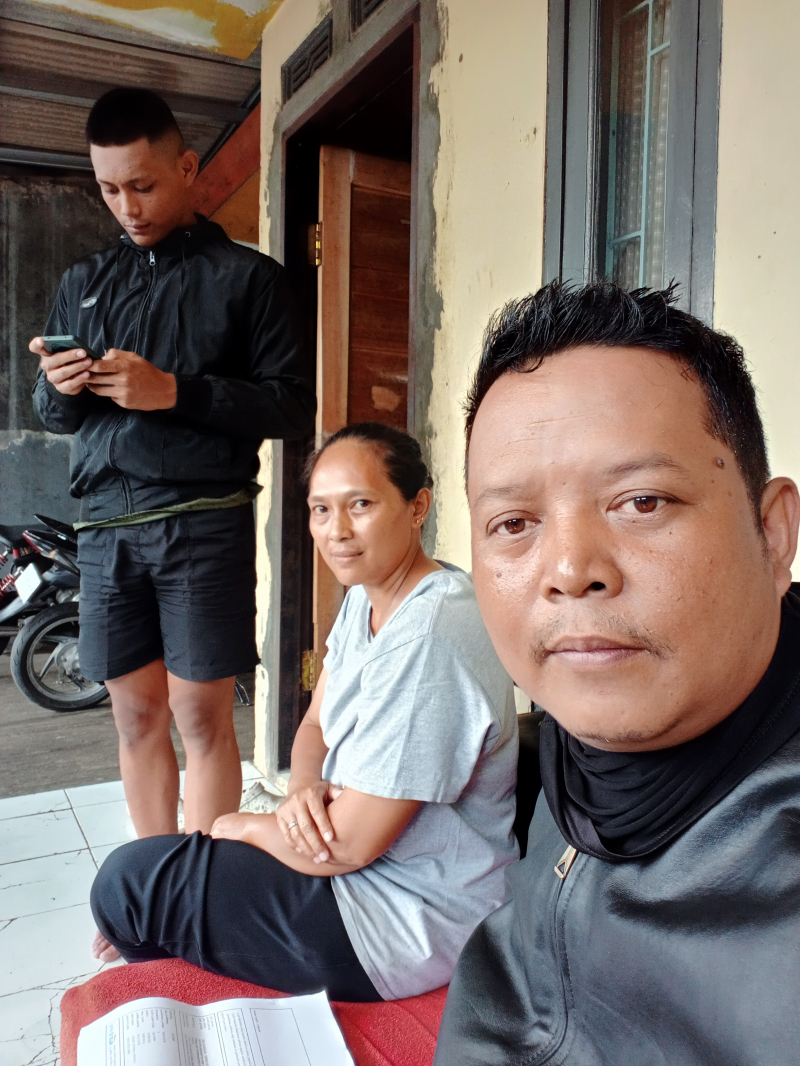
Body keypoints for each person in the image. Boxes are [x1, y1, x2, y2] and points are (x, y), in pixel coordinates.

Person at [434, 282, 800, 1065]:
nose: (571, 570)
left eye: (642, 502)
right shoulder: (573, 737)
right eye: (513, 523)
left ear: (772, 534)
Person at [29, 87, 315, 959]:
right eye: (110, 189)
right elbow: (53, 414)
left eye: (144, 185)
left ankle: (202, 901)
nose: (128, 206)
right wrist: (56, 389)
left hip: (203, 520)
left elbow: (290, 406)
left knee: (200, 717)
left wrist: (175, 392)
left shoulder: (251, 279)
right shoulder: (83, 283)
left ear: (188, 169)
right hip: (105, 527)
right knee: (135, 719)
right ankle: (151, 899)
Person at [90, 423, 519, 1001]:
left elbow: (350, 844)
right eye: (321, 509)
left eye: (360, 505)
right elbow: (315, 724)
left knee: (128, 886)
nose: (336, 531)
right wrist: (302, 791)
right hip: (349, 872)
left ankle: (186, 977)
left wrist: (240, 828)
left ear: (417, 506)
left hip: (406, 919)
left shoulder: (431, 635)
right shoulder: (367, 597)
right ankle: (181, 960)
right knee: (144, 884)